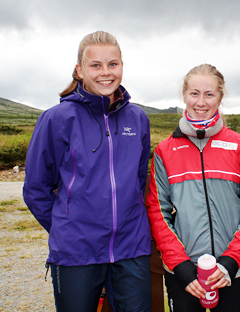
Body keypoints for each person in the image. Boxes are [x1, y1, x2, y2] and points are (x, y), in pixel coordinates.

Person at [23, 31, 152, 312]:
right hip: (76, 250)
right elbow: (36, 188)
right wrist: (65, 226)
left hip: (131, 247)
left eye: (113, 64)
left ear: (121, 66)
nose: (106, 73)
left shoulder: (138, 118)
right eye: (96, 65)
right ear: (80, 70)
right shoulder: (56, 119)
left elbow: (139, 180)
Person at [146, 64, 240, 312]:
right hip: (184, 274)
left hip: (231, 271)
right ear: (184, 95)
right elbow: (158, 212)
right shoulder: (164, 151)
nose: (201, 102)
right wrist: (180, 265)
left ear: (220, 98)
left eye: (209, 94)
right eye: (194, 93)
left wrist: (230, 262)